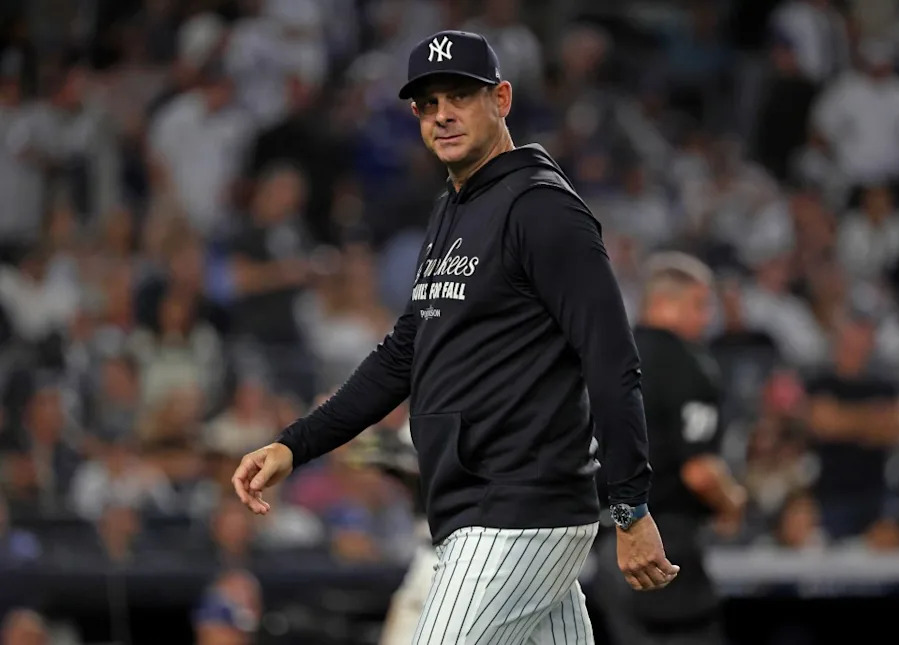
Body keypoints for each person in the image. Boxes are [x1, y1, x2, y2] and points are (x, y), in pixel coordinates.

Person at [232, 30, 678, 643]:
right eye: (427, 103)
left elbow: (611, 360)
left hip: (519, 509)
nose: (442, 115)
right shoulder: (455, 207)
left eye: (460, 96)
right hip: (479, 509)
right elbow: (403, 354)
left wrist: (630, 507)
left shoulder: (542, 208)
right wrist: (296, 444)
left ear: (501, 99)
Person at [594, 253, 746, 645]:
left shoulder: (605, 356)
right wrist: (733, 502)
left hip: (607, 545)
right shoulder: (686, 363)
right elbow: (700, 472)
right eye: (700, 304)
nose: (707, 317)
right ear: (665, 302)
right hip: (661, 546)